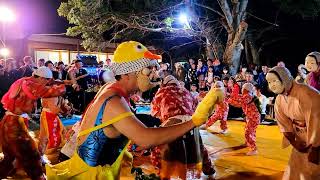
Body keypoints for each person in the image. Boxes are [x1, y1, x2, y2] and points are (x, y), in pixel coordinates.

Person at [46, 41, 222, 179]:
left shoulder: (113, 89)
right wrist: (194, 121)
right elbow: (145, 139)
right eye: (148, 70)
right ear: (128, 73)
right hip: (86, 175)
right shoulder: (114, 101)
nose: (153, 74)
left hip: (95, 169)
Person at [0, 67, 66, 180]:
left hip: (8, 121)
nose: (46, 83)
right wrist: (63, 84)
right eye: (46, 80)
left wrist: (54, 81)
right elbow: (55, 91)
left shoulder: (23, 80)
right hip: (15, 125)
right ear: (40, 77)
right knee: (32, 156)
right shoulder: (31, 85)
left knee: (9, 157)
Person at [151, 75, 215, 179]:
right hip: (190, 123)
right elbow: (195, 107)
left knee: (157, 147)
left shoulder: (161, 92)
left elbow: (154, 112)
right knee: (200, 147)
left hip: (172, 124)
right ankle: (209, 169)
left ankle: (160, 174)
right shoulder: (186, 91)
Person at [266, 66, 320, 180]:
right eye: (269, 82)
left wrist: (315, 147)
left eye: (274, 81)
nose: (272, 85)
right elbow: (283, 123)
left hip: (316, 137)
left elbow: (316, 120)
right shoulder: (280, 99)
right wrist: (294, 142)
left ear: (284, 78)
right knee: (296, 169)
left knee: (314, 170)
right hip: (300, 137)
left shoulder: (306, 94)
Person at [228, 83, 261, 155]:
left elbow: (239, 103)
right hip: (251, 117)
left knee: (248, 132)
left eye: (243, 88)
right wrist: (229, 95)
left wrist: (229, 100)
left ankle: (253, 149)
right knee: (251, 131)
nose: (242, 89)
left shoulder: (248, 96)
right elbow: (238, 97)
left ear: (246, 89)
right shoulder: (247, 95)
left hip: (253, 118)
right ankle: (248, 143)